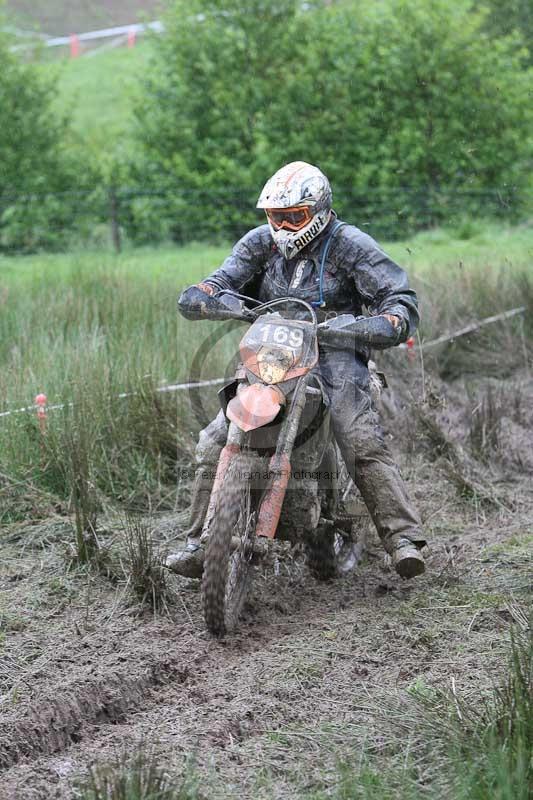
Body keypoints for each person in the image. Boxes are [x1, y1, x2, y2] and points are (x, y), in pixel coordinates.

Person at [167, 161, 426, 579]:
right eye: (276, 217)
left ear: (319, 210)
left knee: (357, 437)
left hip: (334, 350)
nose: (285, 227)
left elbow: (400, 299)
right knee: (214, 438)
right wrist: (216, 299)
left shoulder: (350, 245)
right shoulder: (258, 243)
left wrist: (376, 323)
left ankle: (401, 539)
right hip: (272, 351)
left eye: (295, 217)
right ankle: (199, 542)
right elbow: (212, 284)